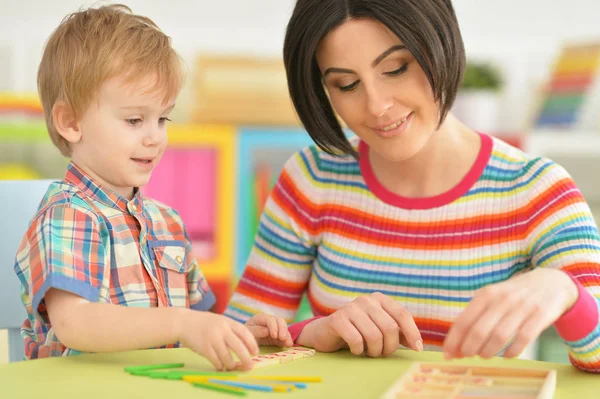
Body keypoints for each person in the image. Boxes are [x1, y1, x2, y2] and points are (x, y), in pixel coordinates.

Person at [226, 0, 600, 372]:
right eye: (347, 84)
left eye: (395, 68)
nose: (376, 106)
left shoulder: (535, 189)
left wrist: (566, 291)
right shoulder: (311, 178)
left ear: (441, 42)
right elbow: (233, 342)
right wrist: (312, 332)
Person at [13, 4, 291, 371]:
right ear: (70, 121)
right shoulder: (67, 214)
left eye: (162, 118)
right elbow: (75, 324)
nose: (155, 138)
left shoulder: (167, 223)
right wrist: (181, 322)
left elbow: (196, 325)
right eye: (134, 119)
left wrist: (238, 332)